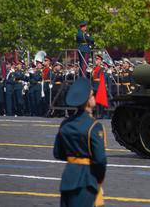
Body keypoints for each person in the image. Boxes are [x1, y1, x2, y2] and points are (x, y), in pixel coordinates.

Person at [53, 78, 106, 207]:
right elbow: (100, 160)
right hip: (86, 180)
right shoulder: (94, 126)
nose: (94, 98)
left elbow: (58, 153)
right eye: (92, 95)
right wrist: (97, 179)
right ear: (88, 101)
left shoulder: (65, 124)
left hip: (67, 179)